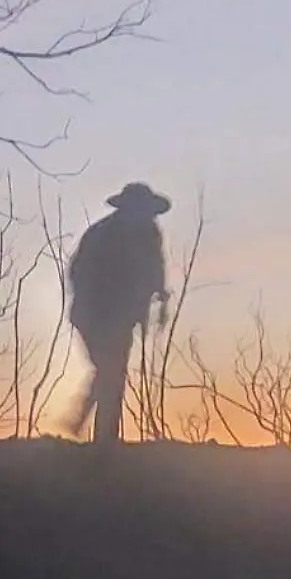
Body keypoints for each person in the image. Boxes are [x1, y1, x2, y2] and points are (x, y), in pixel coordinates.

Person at [62, 182, 171, 444]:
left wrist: (158, 294)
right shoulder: (102, 234)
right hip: (93, 314)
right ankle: (97, 431)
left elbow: (155, 267)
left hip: (123, 316)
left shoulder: (150, 234)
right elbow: (78, 272)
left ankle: (103, 437)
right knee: (110, 370)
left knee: (113, 372)